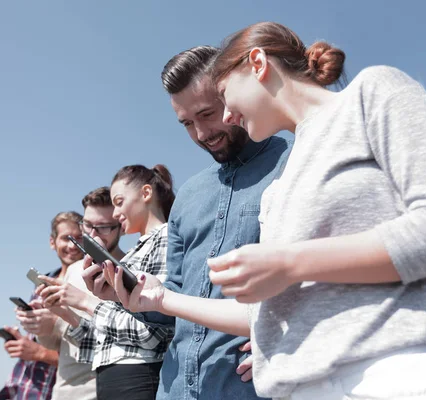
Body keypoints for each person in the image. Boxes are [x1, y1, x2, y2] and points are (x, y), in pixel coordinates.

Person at [203, 21, 426, 399]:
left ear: (257, 62)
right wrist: (156, 300)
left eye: (224, 95)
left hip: (389, 379)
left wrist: (290, 262)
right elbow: (270, 309)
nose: (225, 117)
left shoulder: (371, 93)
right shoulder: (277, 189)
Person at [96, 46, 292, 400]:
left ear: (232, 95)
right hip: (174, 389)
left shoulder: (292, 166)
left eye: (207, 114)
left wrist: (288, 335)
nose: (202, 134)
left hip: (249, 389)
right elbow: (173, 298)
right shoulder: (188, 195)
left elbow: (315, 285)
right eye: (187, 123)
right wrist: (130, 296)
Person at [38, 165, 175, 400]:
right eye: (87, 226)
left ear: (146, 194)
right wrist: (67, 312)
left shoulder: (166, 239)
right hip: (113, 377)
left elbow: (153, 334)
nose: (116, 213)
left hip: (139, 376)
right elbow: (103, 344)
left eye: (119, 202)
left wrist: (86, 302)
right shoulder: (134, 254)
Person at [16, 188, 125, 399]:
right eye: (88, 226)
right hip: (63, 391)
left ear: (121, 226)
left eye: (103, 227)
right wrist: (44, 327)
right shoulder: (75, 270)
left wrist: (57, 323)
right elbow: (58, 343)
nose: (92, 235)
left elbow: (120, 341)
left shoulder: (129, 271)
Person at [0, 211, 84, 400]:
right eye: (66, 238)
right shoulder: (44, 281)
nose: (72, 245)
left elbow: (90, 353)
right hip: (20, 387)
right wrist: (21, 341)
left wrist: (40, 353)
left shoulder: (89, 289)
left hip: (55, 391)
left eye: (79, 238)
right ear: (52, 242)